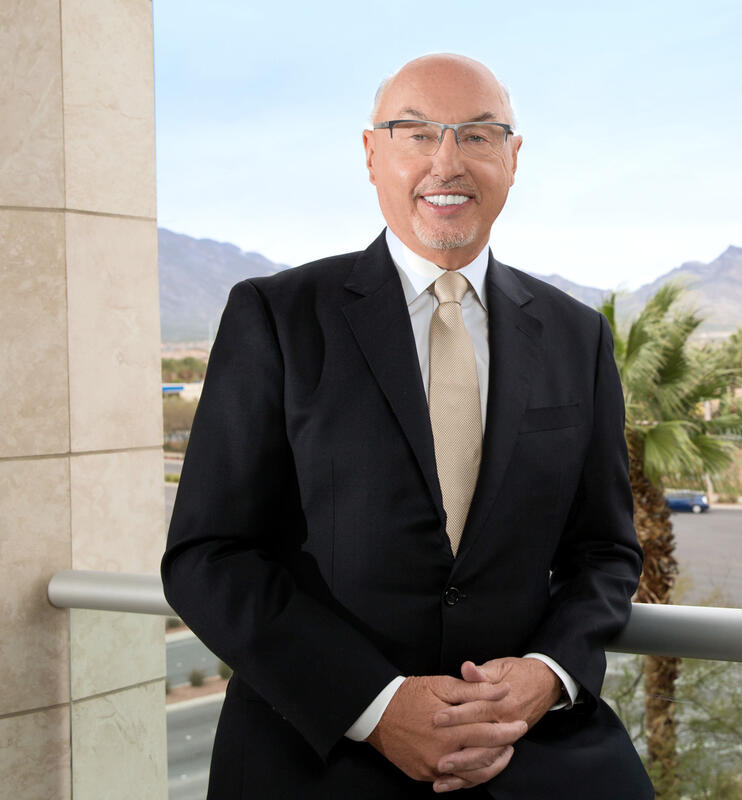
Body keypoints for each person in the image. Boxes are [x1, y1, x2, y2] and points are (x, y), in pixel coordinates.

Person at [162, 53, 652, 799]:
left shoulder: (576, 336)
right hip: (320, 749)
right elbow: (207, 555)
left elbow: (605, 550)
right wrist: (379, 707)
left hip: (530, 751)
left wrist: (546, 677)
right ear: (371, 155)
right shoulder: (277, 316)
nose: (446, 162)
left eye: (478, 136)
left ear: (513, 159)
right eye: (416, 134)